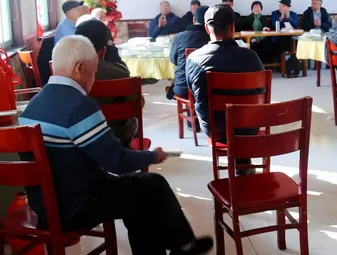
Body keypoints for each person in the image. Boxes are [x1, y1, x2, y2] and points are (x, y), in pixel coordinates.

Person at [20, 36, 212, 255]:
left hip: (45, 204)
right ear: (80, 68)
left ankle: (183, 245)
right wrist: (151, 156)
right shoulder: (80, 106)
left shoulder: (33, 105)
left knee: (139, 193)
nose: (93, 80)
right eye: (93, 72)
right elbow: (117, 162)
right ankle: (184, 244)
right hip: (74, 206)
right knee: (150, 187)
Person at [185, 4, 265, 138]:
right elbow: (262, 91)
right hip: (249, 126)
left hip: (214, 129)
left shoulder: (193, 59)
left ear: (207, 29)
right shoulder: (251, 57)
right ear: (233, 27)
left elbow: (194, 95)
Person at [75, 19, 139, 147]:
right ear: (104, 50)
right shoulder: (117, 72)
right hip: (114, 137)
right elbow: (137, 104)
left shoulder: (64, 71)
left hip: (76, 138)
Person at [168, 6, 209, 101]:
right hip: (209, 88)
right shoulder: (214, 37)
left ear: (194, 20)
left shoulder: (178, 37)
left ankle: (191, 110)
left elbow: (174, 60)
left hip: (183, 87)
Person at [242, 0, 274, 65]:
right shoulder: (248, 18)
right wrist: (251, 38)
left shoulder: (263, 18)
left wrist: (264, 30)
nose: (257, 9)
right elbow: (245, 31)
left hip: (262, 38)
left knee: (267, 45)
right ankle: (254, 66)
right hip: (250, 38)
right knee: (252, 45)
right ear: (252, 8)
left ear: (261, 9)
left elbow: (266, 29)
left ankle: (266, 66)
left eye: (258, 7)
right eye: (255, 7)